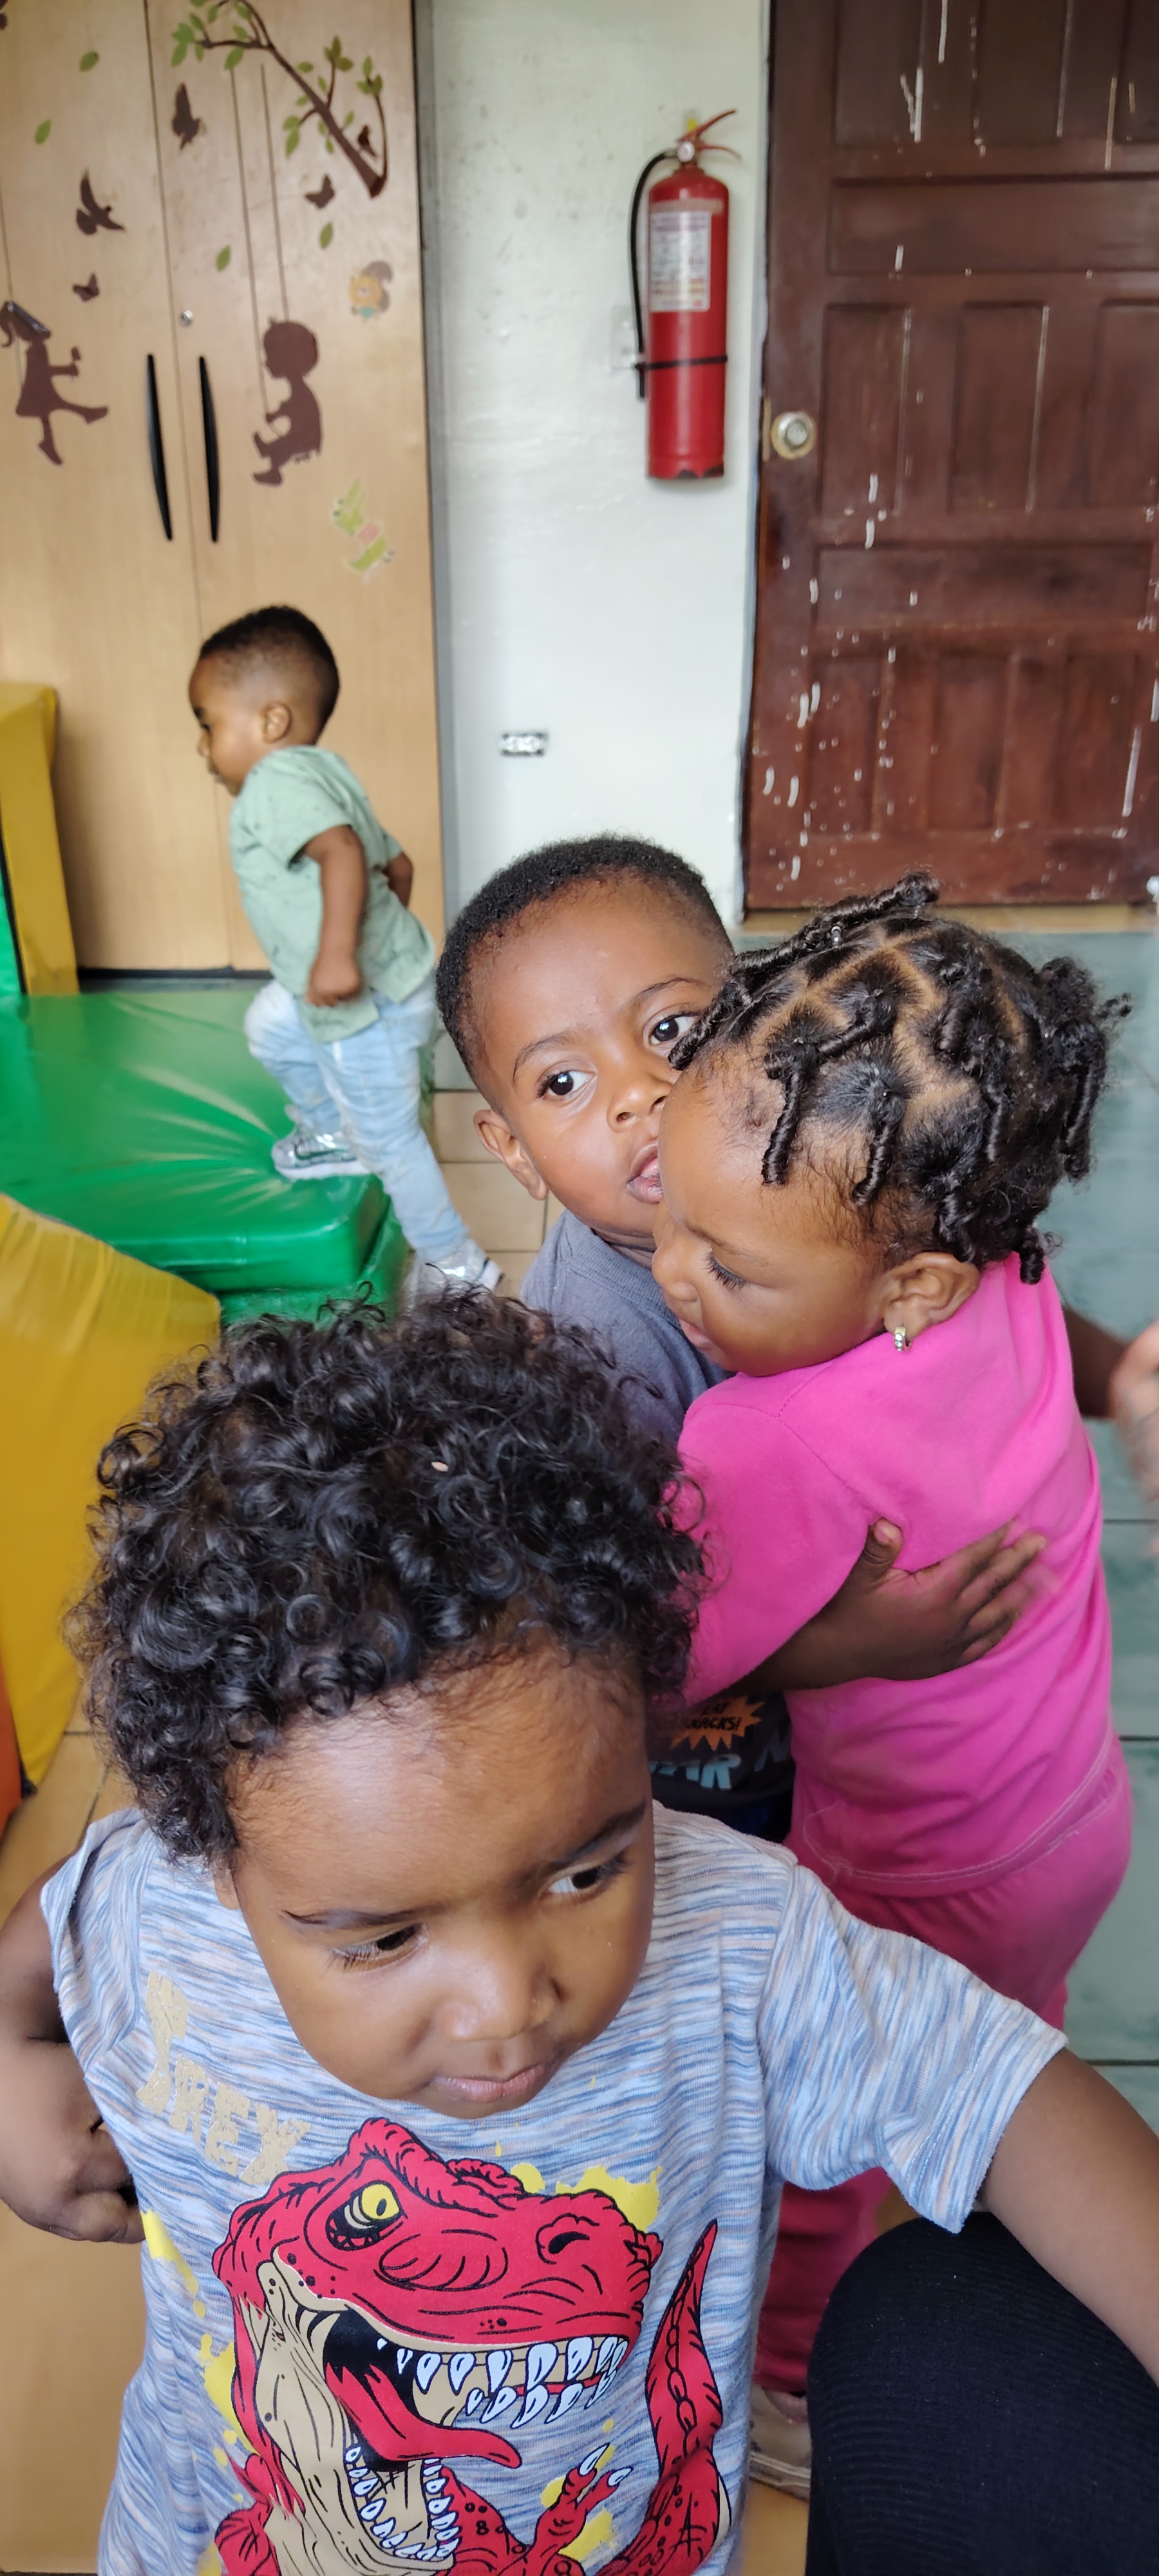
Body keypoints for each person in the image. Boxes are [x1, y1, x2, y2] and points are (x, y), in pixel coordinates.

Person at [3, 1297, 1159, 2576]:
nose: (508, 2000)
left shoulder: (741, 1941)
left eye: (586, 1869)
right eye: (383, 1939)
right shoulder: (154, 1903)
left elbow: (1010, 2100)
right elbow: (45, 1934)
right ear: (217, 1860)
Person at [651, 869, 1142, 2486]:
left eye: (728, 1264)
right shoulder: (998, 1271)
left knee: (822, 2133)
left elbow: (655, 1677)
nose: (672, 1272)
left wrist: (839, 1646)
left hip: (910, 1870)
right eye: (670, 1212)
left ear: (910, 1282)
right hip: (1071, 1823)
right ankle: (999, 2226)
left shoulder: (754, 1436)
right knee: (1002, 2063)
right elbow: (1057, 1337)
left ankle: (793, 2380)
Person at [435, 837, 1153, 1852]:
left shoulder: (853, 1177)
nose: (638, 1093)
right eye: (562, 1084)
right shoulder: (594, 1355)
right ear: (510, 1147)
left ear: (753, 1009)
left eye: (671, 1029)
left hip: (887, 1748)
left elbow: (988, 1288)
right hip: (726, 1761)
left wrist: (1122, 1377)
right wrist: (841, 1648)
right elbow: (610, 1644)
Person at [189, 603, 497, 1296]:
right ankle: (329, 1131)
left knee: (391, 1142)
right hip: (386, 982)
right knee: (271, 1027)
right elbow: (400, 865)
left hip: (363, 1006)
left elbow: (343, 853)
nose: (202, 747)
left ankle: (456, 1267)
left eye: (208, 724)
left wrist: (340, 957)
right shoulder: (326, 771)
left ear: (271, 721)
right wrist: (379, 947)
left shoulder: (272, 783)